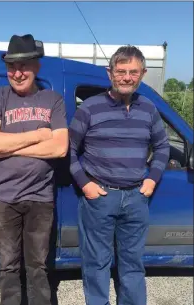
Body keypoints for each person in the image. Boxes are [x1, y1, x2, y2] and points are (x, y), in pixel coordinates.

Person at [69, 45, 170, 305]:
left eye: (133, 72)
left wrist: (151, 179)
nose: (127, 77)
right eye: (121, 71)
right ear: (110, 73)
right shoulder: (90, 108)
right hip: (99, 198)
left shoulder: (148, 108)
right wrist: (85, 184)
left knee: (133, 265)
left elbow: (162, 146)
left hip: (136, 198)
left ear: (143, 74)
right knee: (96, 264)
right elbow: (67, 149)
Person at [0, 34, 69, 305]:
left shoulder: (52, 100)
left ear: (36, 66)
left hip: (41, 199)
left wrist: (10, 146)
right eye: (11, 67)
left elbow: (60, 148)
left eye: (24, 66)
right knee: (8, 268)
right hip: (3, 198)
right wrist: (38, 135)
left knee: (38, 268)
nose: (17, 73)